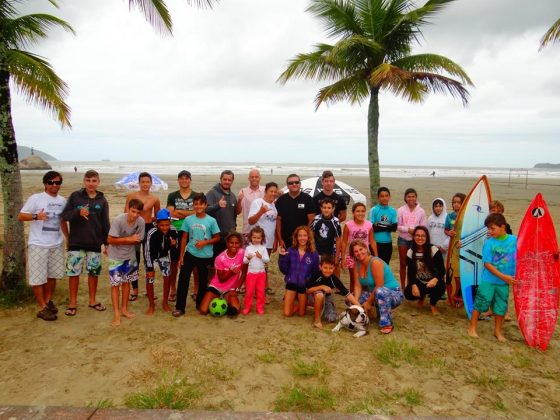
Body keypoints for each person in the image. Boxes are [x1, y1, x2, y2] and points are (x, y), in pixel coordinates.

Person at [18, 171, 68, 321]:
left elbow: (62, 221)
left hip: (56, 243)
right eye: (51, 182)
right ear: (45, 184)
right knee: (38, 277)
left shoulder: (62, 201)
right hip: (38, 244)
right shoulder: (36, 198)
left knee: (53, 274)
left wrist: (67, 237)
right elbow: (21, 215)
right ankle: (41, 307)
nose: (54, 185)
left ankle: (47, 301)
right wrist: (36, 216)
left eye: (57, 183)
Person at [61, 169, 111, 317]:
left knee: (93, 273)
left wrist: (106, 243)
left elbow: (105, 224)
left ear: (98, 182)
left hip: (95, 243)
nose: (91, 183)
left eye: (94, 180)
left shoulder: (102, 200)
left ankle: (92, 300)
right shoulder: (75, 196)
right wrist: (78, 212)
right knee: (73, 273)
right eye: (88, 180)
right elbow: (64, 216)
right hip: (76, 242)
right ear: (84, 181)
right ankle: (72, 303)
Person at [468, 214, 517, 342]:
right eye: (488, 229)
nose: (490, 231)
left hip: (504, 282)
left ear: (503, 227)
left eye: (492, 228)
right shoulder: (489, 243)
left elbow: (528, 249)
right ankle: (472, 328)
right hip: (489, 280)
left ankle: (497, 331)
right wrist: (504, 277)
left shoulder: (514, 240)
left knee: (501, 306)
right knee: (480, 303)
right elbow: (487, 264)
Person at [173, 193, 220, 317]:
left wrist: (205, 242)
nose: (198, 206)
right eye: (196, 204)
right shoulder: (189, 219)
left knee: (203, 281)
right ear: (193, 205)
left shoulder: (211, 220)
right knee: (183, 279)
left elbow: (217, 238)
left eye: (201, 204)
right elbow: (184, 237)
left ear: (205, 205)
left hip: (205, 256)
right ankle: (180, 307)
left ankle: (200, 303)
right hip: (190, 254)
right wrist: (181, 256)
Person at [350, 239, 403, 334]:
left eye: (361, 249)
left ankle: (386, 323)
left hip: (393, 293)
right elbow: (357, 286)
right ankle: (371, 313)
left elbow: (379, 286)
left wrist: (368, 302)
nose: (359, 253)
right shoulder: (356, 265)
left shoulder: (375, 262)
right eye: (356, 251)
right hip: (375, 293)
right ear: (353, 254)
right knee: (350, 299)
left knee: (380, 292)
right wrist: (356, 304)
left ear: (366, 249)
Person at [107, 199, 145, 326]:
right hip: (115, 256)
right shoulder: (119, 220)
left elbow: (138, 240)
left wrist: (127, 240)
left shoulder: (141, 222)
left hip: (130, 256)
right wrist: (129, 239)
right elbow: (110, 240)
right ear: (128, 209)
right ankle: (116, 313)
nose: (135, 215)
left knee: (127, 282)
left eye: (138, 212)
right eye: (133, 211)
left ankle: (124, 309)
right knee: (115, 284)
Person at [124, 172, 161, 302]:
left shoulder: (155, 199)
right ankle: (134, 290)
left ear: (151, 183)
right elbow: (125, 213)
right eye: (143, 182)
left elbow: (157, 217)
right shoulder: (132, 196)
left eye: (147, 182)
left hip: (148, 228)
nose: (145, 184)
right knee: (134, 259)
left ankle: (148, 289)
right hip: (134, 229)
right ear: (139, 183)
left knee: (149, 259)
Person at [166, 170, 197, 303]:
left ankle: (196, 288)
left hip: (193, 230)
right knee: (174, 261)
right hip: (175, 230)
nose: (184, 180)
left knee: (195, 260)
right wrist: (188, 213)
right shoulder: (172, 195)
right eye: (181, 178)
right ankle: (173, 288)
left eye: (186, 178)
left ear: (190, 180)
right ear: (178, 180)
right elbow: (171, 213)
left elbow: (198, 211)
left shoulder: (196, 195)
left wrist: (180, 212)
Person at [306, 254, 360, 329]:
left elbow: (347, 294)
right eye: (325, 267)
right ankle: (317, 320)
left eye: (330, 268)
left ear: (334, 268)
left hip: (326, 298)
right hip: (313, 296)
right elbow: (308, 290)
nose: (327, 270)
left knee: (331, 319)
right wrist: (321, 287)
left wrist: (360, 307)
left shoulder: (334, 279)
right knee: (319, 294)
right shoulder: (316, 275)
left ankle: (322, 307)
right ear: (320, 267)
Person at [199, 232, 245, 316]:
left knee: (235, 311)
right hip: (217, 286)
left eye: (237, 243)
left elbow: (244, 273)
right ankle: (218, 297)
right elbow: (221, 279)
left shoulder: (242, 253)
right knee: (203, 311)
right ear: (227, 243)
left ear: (240, 244)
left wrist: (237, 289)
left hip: (230, 289)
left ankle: (225, 299)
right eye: (231, 243)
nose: (234, 245)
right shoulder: (220, 258)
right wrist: (231, 272)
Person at [278, 225, 319, 317]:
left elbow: (315, 272)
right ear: (296, 237)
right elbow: (284, 270)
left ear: (309, 237)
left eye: (305, 235)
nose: (302, 238)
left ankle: (304, 303)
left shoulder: (313, 254)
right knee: (287, 314)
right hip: (291, 283)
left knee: (301, 314)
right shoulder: (291, 250)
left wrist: (308, 284)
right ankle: (293, 301)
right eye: (300, 235)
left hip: (303, 286)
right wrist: (281, 257)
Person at [404, 226, 446, 315]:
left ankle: (432, 305)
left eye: (423, 236)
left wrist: (435, 280)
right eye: (417, 235)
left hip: (432, 281)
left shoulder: (433, 250)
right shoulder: (410, 252)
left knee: (441, 287)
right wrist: (414, 285)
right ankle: (421, 296)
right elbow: (411, 272)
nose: (420, 238)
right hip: (420, 281)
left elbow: (442, 270)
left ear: (427, 238)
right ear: (414, 237)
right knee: (408, 293)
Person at [248, 182, 279, 298]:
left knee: (265, 264)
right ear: (265, 191)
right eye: (271, 191)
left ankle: (265, 286)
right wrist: (261, 211)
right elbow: (251, 221)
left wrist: (275, 240)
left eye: (275, 192)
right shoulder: (258, 202)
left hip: (269, 242)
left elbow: (274, 225)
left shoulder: (274, 206)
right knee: (256, 265)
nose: (273, 193)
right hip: (258, 241)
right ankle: (257, 289)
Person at [144, 208, 178, 314]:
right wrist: (149, 268)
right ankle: (151, 304)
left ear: (170, 223)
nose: (165, 227)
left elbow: (175, 247)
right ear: (157, 223)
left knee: (167, 277)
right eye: (162, 225)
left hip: (164, 256)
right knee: (150, 278)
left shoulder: (173, 230)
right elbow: (147, 251)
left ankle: (165, 303)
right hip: (151, 257)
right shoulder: (151, 232)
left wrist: (173, 244)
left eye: (167, 225)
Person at [342, 202, 376, 293]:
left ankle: (364, 298)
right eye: (358, 211)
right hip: (352, 256)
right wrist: (342, 258)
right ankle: (352, 299)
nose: (360, 213)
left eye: (362, 211)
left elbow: (372, 241)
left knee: (365, 278)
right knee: (353, 279)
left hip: (366, 256)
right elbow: (344, 242)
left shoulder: (369, 225)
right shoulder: (348, 225)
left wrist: (376, 256)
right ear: (353, 213)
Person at [275, 174, 315, 251]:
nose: (294, 184)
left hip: (302, 240)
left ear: (300, 184)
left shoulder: (308, 199)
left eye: (296, 182)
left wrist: (306, 237)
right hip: (285, 239)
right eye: (291, 183)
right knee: (285, 262)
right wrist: (280, 239)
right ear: (287, 185)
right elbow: (278, 220)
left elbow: (311, 220)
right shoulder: (281, 200)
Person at [397, 188, 427, 289]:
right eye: (409, 196)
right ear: (405, 198)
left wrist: (416, 232)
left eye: (413, 196)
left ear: (416, 197)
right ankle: (403, 287)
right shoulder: (401, 210)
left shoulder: (421, 211)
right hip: (403, 240)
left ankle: (411, 286)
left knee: (413, 265)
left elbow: (423, 227)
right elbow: (398, 226)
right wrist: (408, 230)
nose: (411, 198)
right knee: (403, 264)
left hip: (416, 241)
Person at [206, 170, 240, 259]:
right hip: (216, 236)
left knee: (227, 262)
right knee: (213, 264)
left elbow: (234, 215)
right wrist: (217, 205)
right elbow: (204, 211)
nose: (227, 182)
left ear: (232, 181)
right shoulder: (212, 193)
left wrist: (234, 228)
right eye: (225, 179)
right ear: (220, 179)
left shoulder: (232, 196)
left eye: (229, 180)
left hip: (229, 237)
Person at [241, 226, 270, 315]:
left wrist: (261, 257)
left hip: (261, 273)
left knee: (260, 291)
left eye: (258, 238)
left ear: (262, 238)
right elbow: (244, 261)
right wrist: (248, 258)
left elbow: (267, 260)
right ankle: (247, 306)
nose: (256, 239)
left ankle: (259, 307)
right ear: (251, 237)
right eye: (254, 237)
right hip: (251, 273)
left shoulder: (263, 248)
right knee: (249, 291)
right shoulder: (248, 248)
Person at [444, 192, 466, 306]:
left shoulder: (467, 216)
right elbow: (446, 229)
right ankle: (453, 295)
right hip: (453, 248)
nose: (456, 205)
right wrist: (449, 233)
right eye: (454, 202)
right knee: (453, 272)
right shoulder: (450, 216)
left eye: (458, 202)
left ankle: (461, 296)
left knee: (463, 272)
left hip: (465, 248)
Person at [370, 187, 398, 265]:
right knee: (374, 265)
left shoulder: (393, 211)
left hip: (388, 243)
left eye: (386, 196)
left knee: (385, 266)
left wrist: (378, 225)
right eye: (382, 196)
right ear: (378, 197)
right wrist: (388, 226)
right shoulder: (374, 210)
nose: (384, 198)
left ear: (389, 197)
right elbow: (372, 228)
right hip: (375, 243)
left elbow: (394, 228)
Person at [237, 169, 265, 245]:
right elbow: (238, 211)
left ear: (260, 178)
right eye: (252, 177)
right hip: (248, 229)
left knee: (262, 255)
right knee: (248, 254)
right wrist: (239, 199)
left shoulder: (265, 190)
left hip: (263, 229)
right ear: (248, 178)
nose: (254, 179)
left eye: (256, 177)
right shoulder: (244, 191)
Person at [310, 197, 342, 262]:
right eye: (324, 207)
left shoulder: (336, 221)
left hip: (330, 253)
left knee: (329, 270)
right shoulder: (316, 219)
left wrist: (337, 256)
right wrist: (312, 249)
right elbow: (311, 235)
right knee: (317, 269)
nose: (326, 210)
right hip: (317, 252)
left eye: (329, 208)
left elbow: (338, 239)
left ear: (333, 209)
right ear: (321, 208)